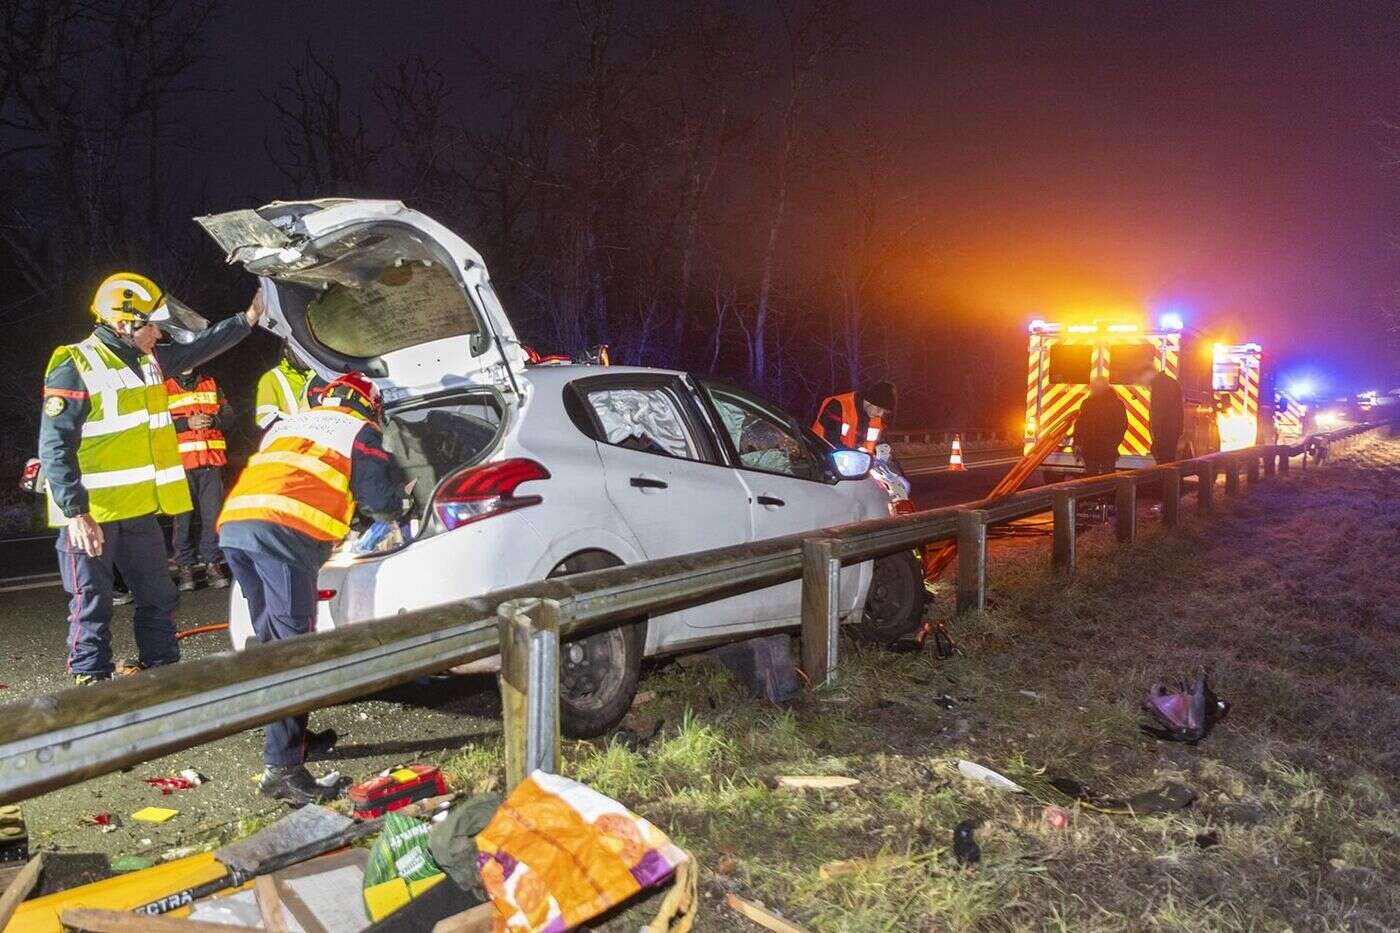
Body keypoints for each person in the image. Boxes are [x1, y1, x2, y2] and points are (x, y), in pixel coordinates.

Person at [40, 272, 263, 685]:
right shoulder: (74, 364)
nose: (159, 333)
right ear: (122, 323)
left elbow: (202, 345)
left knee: (159, 597)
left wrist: (248, 318)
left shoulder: (149, 362)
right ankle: (91, 684)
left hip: (139, 511)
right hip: (92, 515)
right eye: (150, 324)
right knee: (92, 603)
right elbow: (54, 446)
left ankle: (163, 674)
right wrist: (76, 512)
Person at [218, 372, 409, 805]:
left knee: (272, 646)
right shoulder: (359, 430)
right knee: (294, 654)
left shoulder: (289, 424)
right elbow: (379, 498)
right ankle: (282, 770)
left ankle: (290, 742)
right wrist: (400, 503)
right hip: (283, 535)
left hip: (237, 530)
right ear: (368, 404)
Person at [165, 369, 233, 591]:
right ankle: (185, 567)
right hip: (180, 465)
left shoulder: (211, 382)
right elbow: (156, 424)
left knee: (213, 518)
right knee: (182, 520)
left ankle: (212, 564)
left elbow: (229, 416)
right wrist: (187, 424)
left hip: (211, 462)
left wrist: (213, 420)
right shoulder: (164, 385)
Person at [812, 381, 896, 454]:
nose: (880, 414)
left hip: (856, 462)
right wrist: (856, 456)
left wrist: (883, 449)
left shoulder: (876, 418)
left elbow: (880, 441)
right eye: (879, 409)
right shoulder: (837, 405)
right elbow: (831, 439)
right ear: (868, 401)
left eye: (884, 411)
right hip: (822, 456)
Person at [255, 343, 319, 430]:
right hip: (296, 439)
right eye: (298, 351)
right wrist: (299, 428)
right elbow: (264, 418)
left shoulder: (319, 374)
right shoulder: (271, 377)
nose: (304, 356)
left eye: (306, 351)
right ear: (286, 351)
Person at [1073, 377, 1129, 475]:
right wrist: (1114, 443)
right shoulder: (1116, 403)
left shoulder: (1087, 403)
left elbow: (1080, 425)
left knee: (1092, 478)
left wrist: (1077, 443)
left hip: (1092, 449)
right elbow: (1122, 425)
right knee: (1107, 478)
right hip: (1102, 449)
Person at [1140, 363, 1183, 464]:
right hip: (1171, 432)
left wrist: (1157, 440)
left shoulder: (1160, 386)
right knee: (1168, 464)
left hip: (1165, 434)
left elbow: (1158, 413)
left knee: (1164, 465)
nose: (1143, 382)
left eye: (1143, 378)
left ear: (1148, 374)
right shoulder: (1169, 382)